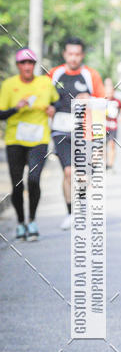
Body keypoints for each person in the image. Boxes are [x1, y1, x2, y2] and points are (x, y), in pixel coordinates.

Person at [0, 47, 59, 240]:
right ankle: (20, 222)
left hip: (38, 139)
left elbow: (59, 102)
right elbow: (1, 114)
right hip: (15, 140)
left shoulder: (44, 83)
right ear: (18, 66)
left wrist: (53, 108)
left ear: (35, 65)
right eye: (23, 63)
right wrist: (15, 109)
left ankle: (32, 220)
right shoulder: (9, 85)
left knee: (33, 180)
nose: (27, 66)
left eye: (31, 63)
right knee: (17, 185)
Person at [49, 37, 104, 229]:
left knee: (82, 175)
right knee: (68, 172)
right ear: (64, 54)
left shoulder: (91, 75)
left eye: (77, 54)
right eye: (70, 54)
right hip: (61, 129)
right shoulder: (55, 74)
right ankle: (71, 212)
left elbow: (103, 101)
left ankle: (81, 204)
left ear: (82, 55)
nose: (74, 58)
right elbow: (45, 100)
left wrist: (90, 98)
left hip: (85, 131)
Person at [103, 78, 121, 170]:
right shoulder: (101, 100)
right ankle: (104, 164)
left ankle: (111, 164)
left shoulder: (117, 101)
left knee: (112, 144)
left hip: (113, 126)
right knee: (102, 146)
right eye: (107, 92)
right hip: (102, 127)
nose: (109, 94)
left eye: (111, 92)